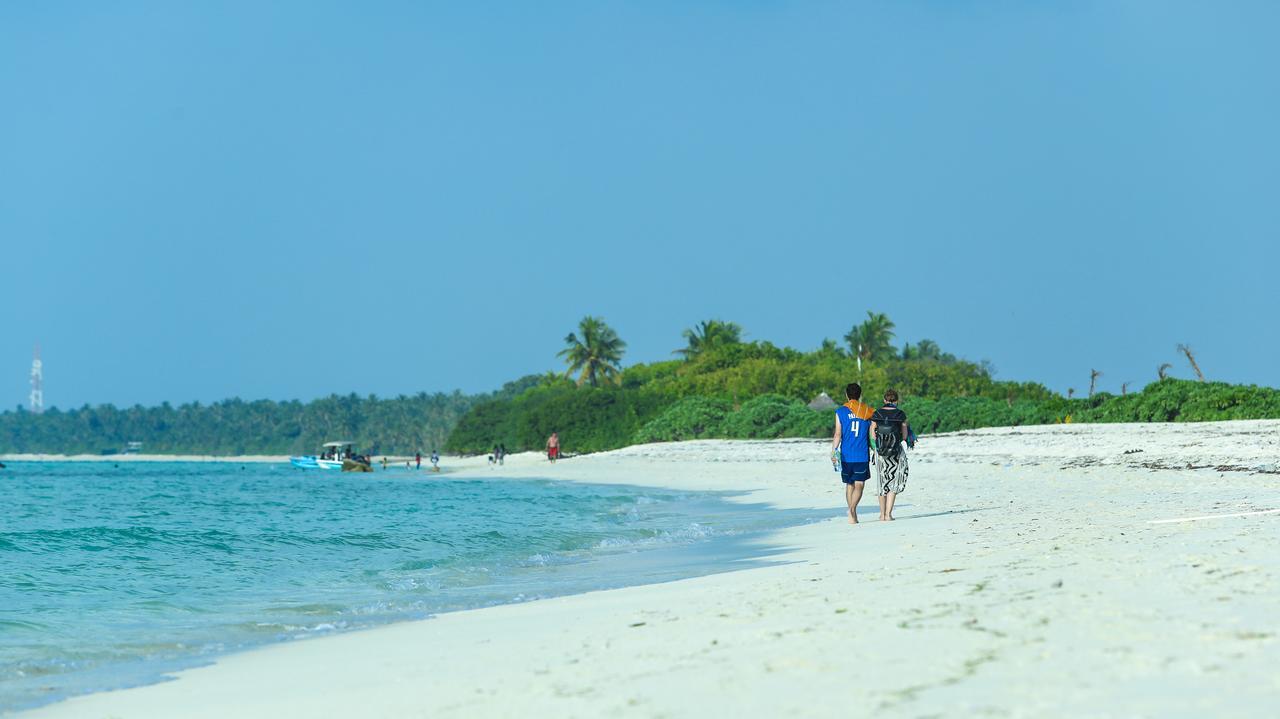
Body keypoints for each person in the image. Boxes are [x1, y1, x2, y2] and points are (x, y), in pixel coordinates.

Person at [831, 382, 875, 524]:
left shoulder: (840, 411)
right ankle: (852, 511)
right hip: (862, 454)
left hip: (846, 454)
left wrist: (833, 451)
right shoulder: (868, 411)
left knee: (849, 484)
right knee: (859, 485)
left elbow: (838, 434)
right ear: (860, 395)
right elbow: (872, 434)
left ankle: (851, 511)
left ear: (846, 395)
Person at [870, 388, 912, 521]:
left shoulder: (877, 413)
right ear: (896, 401)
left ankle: (882, 514)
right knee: (895, 480)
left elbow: (872, 432)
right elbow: (904, 436)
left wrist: (877, 445)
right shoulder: (900, 414)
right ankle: (888, 514)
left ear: (884, 400)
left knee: (882, 481)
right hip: (895, 451)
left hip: (881, 451)